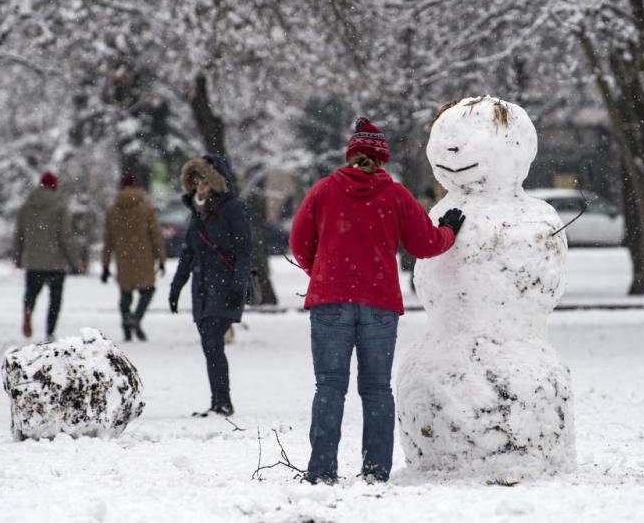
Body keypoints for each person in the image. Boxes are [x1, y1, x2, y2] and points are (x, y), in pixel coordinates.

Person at [289, 117, 466, 484]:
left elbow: (299, 243)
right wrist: (449, 231)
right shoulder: (396, 195)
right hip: (380, 304)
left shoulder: (324, 191)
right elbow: (424, 244)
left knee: (329, 387)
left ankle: (322, 471)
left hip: (330, 302)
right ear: (382, 159)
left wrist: (323, 272)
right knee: (376, 388)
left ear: (351, 155)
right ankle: (375, 471)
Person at [169, 154, 252, 417]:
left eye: (204, 181)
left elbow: (244, 251)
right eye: (195, 182)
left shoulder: (233, 209)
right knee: (209, 343)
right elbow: (188, 253)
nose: (200, 187)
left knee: (213, 340)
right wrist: (176, 286)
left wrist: (238, 287)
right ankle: (219, 401)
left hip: (225, 286)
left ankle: (223, 401)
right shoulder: (197, 212)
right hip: (202, 288)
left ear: (216, 182)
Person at [14, 171, 85, 341]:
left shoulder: (26, 206)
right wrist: (76, 262)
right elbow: (65, 236)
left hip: (33, 260)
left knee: (31, 293)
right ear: (55, 186)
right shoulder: (60, 207)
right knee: (55, 299)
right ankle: (50, 331)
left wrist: (18, 257)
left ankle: (28, 310)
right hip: (55, 261)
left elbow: (19, 234)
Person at [101, 174, 167, 341]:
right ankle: (136, 318)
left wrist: (105, 264)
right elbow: (156, 236)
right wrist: (161, 259)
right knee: (148, 291)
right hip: (144, 257)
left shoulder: (113, 210)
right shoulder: (146, 208)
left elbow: (108, 240)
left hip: (123, 259)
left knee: (125, 294)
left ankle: (126, 323)